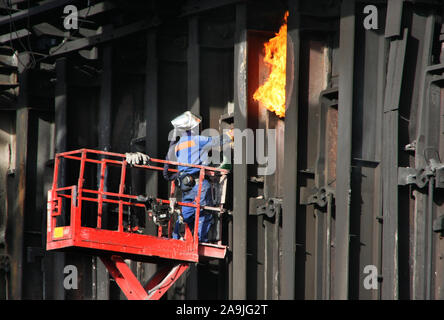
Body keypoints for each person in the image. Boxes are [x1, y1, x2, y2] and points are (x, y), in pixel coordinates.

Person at [126, 111, 233, 243]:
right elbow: (216, 141)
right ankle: (200, 241)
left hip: (185, 184)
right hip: (198, 183)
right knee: (204, 212)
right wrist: (231, 135)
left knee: (186, 214)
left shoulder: (178, 145)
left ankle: (176, 238)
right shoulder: (197, 140)